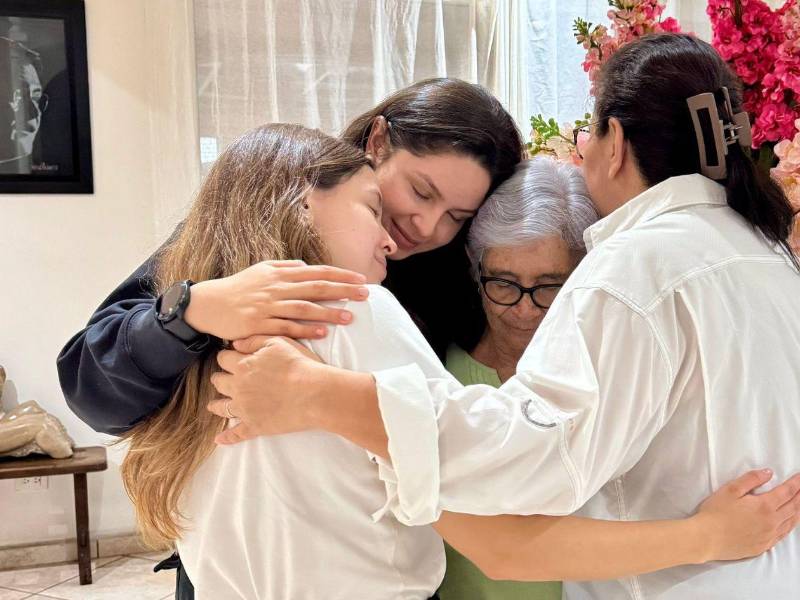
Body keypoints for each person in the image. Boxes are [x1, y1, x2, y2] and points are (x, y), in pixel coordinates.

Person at [210, 34, 800, 599]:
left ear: (614, 141)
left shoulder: (641, 262)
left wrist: (320, 395)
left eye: (548, 287)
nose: (408, 234)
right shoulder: (767, 254)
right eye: (503, 284)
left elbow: (537, 455)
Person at [56, 77, 521, 437]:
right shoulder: (257, 218)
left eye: (455, 216)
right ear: (378, 141)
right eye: (420, 191)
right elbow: (90, 388)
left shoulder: (454, 282)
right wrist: (195, 312)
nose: (425, 225)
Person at [437, 157, 597, 600]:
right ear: (476, 269)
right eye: (504, 283)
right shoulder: (439, 377)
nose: (525, 310)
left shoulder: (602, 380)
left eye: (549, 286)